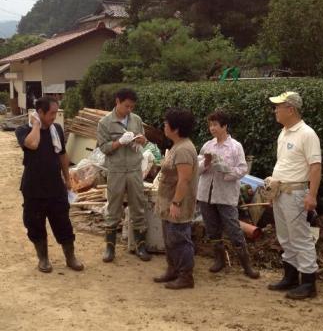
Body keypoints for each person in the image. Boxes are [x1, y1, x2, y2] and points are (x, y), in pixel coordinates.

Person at [15, 96, 84, 273]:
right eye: (52, 113)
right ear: (40, 112)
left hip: (55, 188)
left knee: (63, 224)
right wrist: (37, 125)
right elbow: (32, 144)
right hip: (33, 189)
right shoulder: (24, 130)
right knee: (35, 224)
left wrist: (67, 178)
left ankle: (70, 257)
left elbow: (62, 154)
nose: (55, 116)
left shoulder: (57, 130)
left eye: (56, 112)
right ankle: (43, 259)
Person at [268, 92, 322, 299]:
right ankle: (290, 277)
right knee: (285, 237)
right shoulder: (284, 132)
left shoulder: (307, 134)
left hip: (296, 193)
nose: (275, 110)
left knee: (300, 238)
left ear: (290, 109)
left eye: (278, 107)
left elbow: (315, 167)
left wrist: (312, 195)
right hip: (281, 192)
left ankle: (309, 284)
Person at [197, 110, 260, 279]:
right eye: (210, 125)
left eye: (215, 125)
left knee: (233, 228)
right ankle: (219, 260)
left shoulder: (235, 146)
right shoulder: (207, 146)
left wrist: (225, 171)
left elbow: (242, 169)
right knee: (212, 228)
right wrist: (207, 163)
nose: (212, 128)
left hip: (225, 194)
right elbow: (197, 169)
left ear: (224, 126)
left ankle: (247, 265)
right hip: (206, 194)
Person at [97, 88, 151, 262]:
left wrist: (141, 140)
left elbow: (144, 139)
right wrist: (119, 142)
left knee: (139, 206)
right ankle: (110, 248)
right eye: (126, 106)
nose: (129, 110)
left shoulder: (136, 120)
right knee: (113, 208)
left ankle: (140, 246)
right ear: (117, 102)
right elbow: (104, 148)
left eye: (132, 107)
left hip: (135, 169)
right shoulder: (105, 123)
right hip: (116, 170)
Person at [154, 109, 198, 290]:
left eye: (166, 123)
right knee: (169, 238)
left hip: (178, 203)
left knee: (179, 238)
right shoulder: (176, 146)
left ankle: (186, 276)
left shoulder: (184, 150)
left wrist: (176, 202)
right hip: (168, 200)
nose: (164, 126)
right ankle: (172, 269)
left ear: (176, 128)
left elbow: (184, 179)